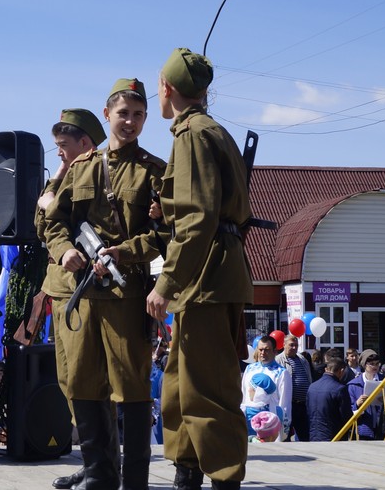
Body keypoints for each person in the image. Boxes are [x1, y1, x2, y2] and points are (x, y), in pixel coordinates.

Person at [44, 77, 164, 490]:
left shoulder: (155, 172)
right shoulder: (82, 167)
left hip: (125, 295)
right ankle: (98, 472)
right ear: (108, 113)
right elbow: (52, 221)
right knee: (80, 379)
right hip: (82, 293)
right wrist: (64, 252)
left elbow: (163, 234)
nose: (129, 122)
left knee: (131, 387)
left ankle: (134, 479)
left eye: (138, 115)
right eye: (122, 113)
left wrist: (124, 252)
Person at [145, 48, 252, 490]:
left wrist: (165, 283)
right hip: (210, 275)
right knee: (180, 386)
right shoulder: (211, 130)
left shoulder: (191, 134)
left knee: (207, 392)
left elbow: (198, 218)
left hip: (204, 277)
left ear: (167, 88)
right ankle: (186, 470)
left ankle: (223, 479)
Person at [34, 107, 105, 490]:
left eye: (63, 145)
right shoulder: (65, 175)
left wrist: (49, 201)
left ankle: (101, 465)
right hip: (59, 285)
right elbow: (39, 222)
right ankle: (91, 463)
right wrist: (52, 187)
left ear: (85, 143)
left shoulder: (95, 176)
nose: (58, 152)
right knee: (67, 378)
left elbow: (51, 220)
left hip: (81, 286)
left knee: (82, 378)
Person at [240, 335, 290, 441]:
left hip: (269, 424)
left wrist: (281, 430)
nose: (263, 353)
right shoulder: (250, 369)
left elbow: (284, 404)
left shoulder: (281, 372)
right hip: (248, 420)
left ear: (275, 351)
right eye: (261, 349)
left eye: (267, 350)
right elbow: (244, 395)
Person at [275, 335, 313, 441]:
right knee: (285, 435)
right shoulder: (278, 360)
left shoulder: (302, 359)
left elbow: (309, 378)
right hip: (288, 405)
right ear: (284, 345)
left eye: (296, 345)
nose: (294, 348)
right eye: (291, 345)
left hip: (303, 404)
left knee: (305, 435)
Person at [306, 358, 352, 442]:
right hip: (334, 435)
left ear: (326, 369)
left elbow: (308, 410)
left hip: (313, 434)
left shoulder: (312, 386)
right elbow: (346, 416)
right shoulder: (340, 389)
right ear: (341, 371)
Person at [346, 352, 385, 440]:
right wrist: (357, 404)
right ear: (364, 365)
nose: (375, 366)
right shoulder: (354, 385)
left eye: (377, 364)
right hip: (363, 428)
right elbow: (348, 410)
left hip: (382, 427)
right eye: (371, 364)